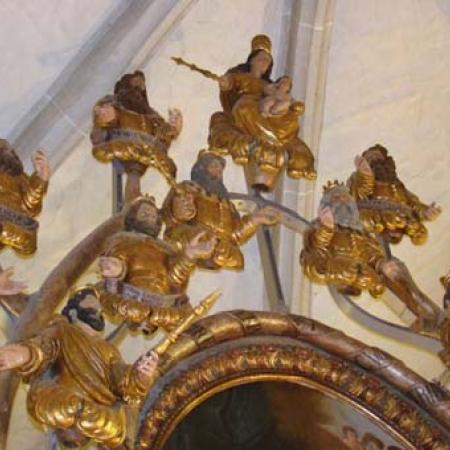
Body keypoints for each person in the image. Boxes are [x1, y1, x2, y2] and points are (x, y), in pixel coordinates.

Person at [0, 286, 158, 449]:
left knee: (114, 424)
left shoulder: (109, 350)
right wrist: (25, 355)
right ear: (73, 312)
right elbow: (45, 348)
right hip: (64, 401)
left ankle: (85, 416)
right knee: (54, 403)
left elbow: (119, 377)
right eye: (92, 309)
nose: (98, 311)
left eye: (99, 311)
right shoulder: (61, 330)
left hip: (93, 409)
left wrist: (140, 375)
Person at [301, 182, 441, 331]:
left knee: (396, 270)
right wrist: (326, 228)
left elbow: (370, 252)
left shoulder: (359, 230)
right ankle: (419, 320)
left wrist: (381, 264)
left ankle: (428, 316)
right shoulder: (317, 227)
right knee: (376, 281)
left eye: (346, 197)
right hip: (344, 269)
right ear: (326, 206)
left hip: (368, 272)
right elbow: (316, 248)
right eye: (337, 198)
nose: (343, 201)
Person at [208, 34, 316, 188]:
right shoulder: (240, 76)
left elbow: (281, 98)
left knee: (291, 120)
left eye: (268, 61)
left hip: (269, 113)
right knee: (244, 108)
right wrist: (226, 82)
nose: (264, 62)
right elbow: (230, 84)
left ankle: (272, 138)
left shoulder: (271, 85)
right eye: (261, 58)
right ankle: (267, 139)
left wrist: (291, 107)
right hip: (248, 108)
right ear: (252, 60)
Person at [98, 196, 216, 333]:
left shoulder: (168, 248)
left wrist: (189, 255)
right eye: (144, 214)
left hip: (165, 303)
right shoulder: (124, 237)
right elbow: (118, 257)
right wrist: (118, 269)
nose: (150, 217)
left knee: (191, 326)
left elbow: (174, 280)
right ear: (133, 218)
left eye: (154, 216)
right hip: (132, 295)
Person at [162, 151, 280, 271]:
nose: (218, 172)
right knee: (195, 237)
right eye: (214, 166)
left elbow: (235, 234)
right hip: (195, 237)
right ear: (201, 169)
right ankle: (203, 248)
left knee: (238, 259)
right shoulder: (188, 189)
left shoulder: (228, 205)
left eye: (220, 170)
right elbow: (169, 215)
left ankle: (215, 252)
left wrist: (256, 219)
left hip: (221, 246)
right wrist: (179, 209)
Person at [91, 71, 183, 201]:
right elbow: (100, 129)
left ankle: (135, 200)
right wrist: (103, 118)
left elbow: (161, 131)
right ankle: (133, 200)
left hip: (147, 147)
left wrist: (173, 128)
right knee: (134, 172)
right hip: (126, 144)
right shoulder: (117, 104)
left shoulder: (148, 111)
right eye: (136, 82)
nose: (139, 87)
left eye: (141, 85)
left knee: (167, 170)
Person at [348, 144, 441, 245]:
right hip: (377, 216)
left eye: (377, 156)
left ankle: (400, 224)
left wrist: (426, 213)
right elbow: (359, 193)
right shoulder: (357, 177)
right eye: (369, 158)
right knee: (362, 219)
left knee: (422, 235)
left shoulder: (397, 185)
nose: (374, 158)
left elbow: (413, 203)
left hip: (402, 218)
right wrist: (365, 175)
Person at [0, 139, 50, 254]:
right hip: (9, 221)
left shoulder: (18, 177)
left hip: (9, 221)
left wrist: (41, 179)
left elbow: (29, 207)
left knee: (29, 241)